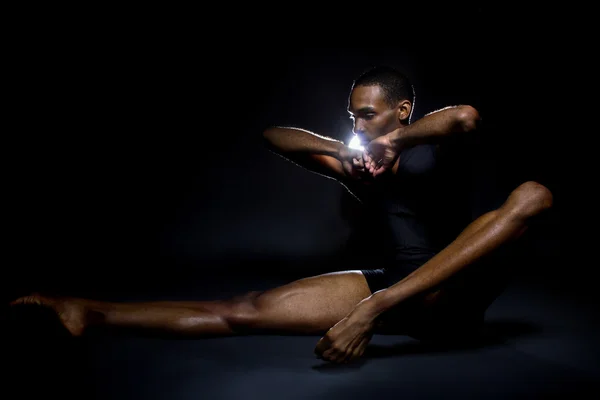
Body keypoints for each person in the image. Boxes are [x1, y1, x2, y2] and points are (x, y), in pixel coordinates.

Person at [10, 65, 553, 364]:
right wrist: (344, 151)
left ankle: (375, 309)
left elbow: (464, 117)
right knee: (241, 309)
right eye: (352, 117)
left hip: (455, 291)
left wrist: (396, 141)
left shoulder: (437, 145)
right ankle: (90, 311)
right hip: (395, 284)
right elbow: (275, 136)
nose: (359, 125)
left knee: (531, 195)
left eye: (368, 115)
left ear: (402, 110)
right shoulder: (358, 168)